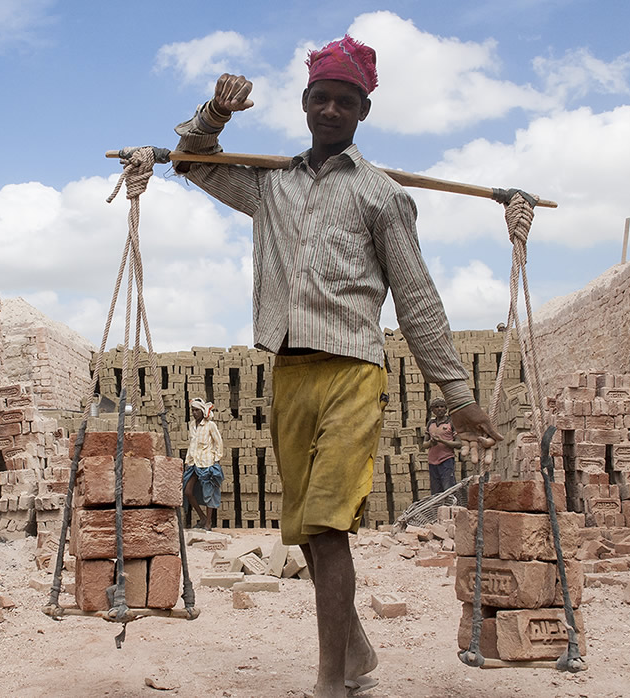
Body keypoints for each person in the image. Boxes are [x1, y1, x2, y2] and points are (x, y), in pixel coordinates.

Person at [172, 34, 502, 698]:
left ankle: (329, 681)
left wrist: (456, 392)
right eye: (320, 97)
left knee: (326, 522)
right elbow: (191, 160)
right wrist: (215, 113)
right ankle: (354, 651)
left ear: (362, 113)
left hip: (354, 368)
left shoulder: (381, 195)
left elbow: (415, 296)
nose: (330, 110)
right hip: (289, 370)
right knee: (307, 530)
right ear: (302, 104)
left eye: (344, 101)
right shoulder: (269, 185)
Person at [182, 397, 225, 530]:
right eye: (192, 410)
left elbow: (218, 442)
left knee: (209, 494)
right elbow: (192, 444)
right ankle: (202, 518)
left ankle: (208, 523)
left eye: (197, 410)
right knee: (188, 491)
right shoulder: (191, 425)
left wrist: (216, 459)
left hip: (207, 463)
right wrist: (187, 461)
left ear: (202, 411)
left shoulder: (210, 425)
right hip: (194, 463)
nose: (194, 413)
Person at [424, 397, 461, 495]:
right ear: (432, 410)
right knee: (436, 493)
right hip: (432, 462)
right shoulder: (430, 423)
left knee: (448, 489)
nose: (439, 409)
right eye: (436, 407)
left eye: (442, 406)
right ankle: (438, 510)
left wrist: (442, 441)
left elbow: (458, 444)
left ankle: (451, 509)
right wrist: (432, 443)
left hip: (446, 460)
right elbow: (424, 444)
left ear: (446, 409)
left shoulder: (451, 423)